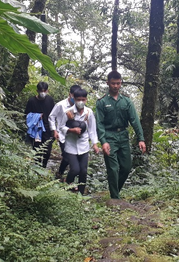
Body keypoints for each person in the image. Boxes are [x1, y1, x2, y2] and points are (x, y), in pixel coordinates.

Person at [95, 71, 146, 199]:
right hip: (109, 136)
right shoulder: (102, 102)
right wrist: (103, 141)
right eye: (113, 83)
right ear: (108, 83)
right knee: (113, 168)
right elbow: (99, 123)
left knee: (126, 167)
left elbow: (134, 120)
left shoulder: (126, 101)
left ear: (121, 83)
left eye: (118, 83)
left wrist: (141, 139)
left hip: (123, 136)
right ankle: (115, 198)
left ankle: (115, 190)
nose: (116, 86)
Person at [59, 88, 100, 195]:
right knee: (75, 170)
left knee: (83, 171)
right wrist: (71, 130)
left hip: (84, 146)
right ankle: (67, 185)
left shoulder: (89, 112)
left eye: (83, 99)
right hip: (71, 146)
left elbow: (92, 129)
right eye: (78, 99)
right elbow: (61, 127)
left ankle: (81, 195)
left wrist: (95, 144)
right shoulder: (68, 112)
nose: (80, 102)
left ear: (86, 99)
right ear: (74, 99)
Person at [49, 84, 82, 179]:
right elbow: (51, 117)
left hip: (74, 135)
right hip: (62, 134)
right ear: (70, 94)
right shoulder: (60, 105)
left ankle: (62, 174)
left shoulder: (79, 106)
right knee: (67, 156)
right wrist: (54, 130)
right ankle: (62, 176)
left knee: (73, 157)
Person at [25, 81, 56, 168]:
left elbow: (53, 114)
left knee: (47, 150)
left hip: (48, 128)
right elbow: (27, 115)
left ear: (47, 91)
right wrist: (36, 116)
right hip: (36, 130)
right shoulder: (31, 101)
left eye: (44, 91)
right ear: (37, 91)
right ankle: (37, 168)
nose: (43, 93)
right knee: (37, 149)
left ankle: (44, 167)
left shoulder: (50, 100)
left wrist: (54, 130)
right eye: (41, 91)